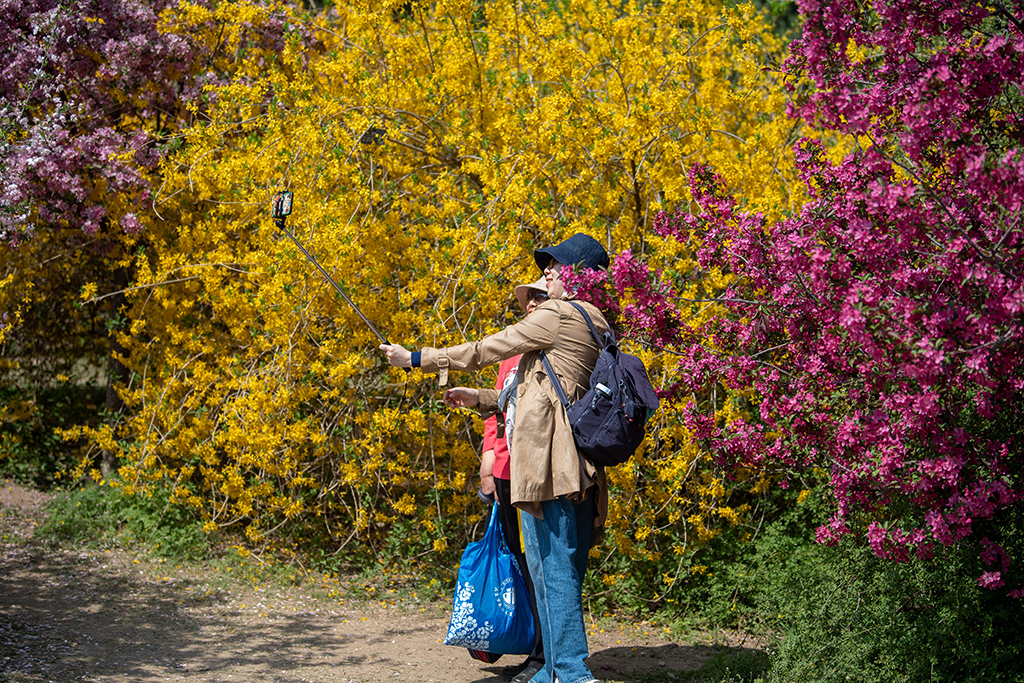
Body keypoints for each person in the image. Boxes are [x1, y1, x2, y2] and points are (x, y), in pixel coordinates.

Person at [380, 233, 611, 683]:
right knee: (545, 568)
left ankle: (573, 673)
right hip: (563, 461)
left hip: (551, 462)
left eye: (557, 268)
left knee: (555, 567)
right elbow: (536, 392)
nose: (546, 273)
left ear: (582, 277)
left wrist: (416, 358)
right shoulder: (596, 320)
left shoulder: (560, 314)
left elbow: (488, 348)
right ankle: (551, 670)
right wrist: (484, 398)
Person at [480, 276, 548, 682]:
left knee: (543, 565)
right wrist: (488, 458)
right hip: (506, 472)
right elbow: (496, 411)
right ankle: (532, 647)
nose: (531, 304)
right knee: (521, 562)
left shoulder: (555, 349)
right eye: (528, 299)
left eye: (539, 296)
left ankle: (545, 656)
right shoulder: (511, 355)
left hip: (536, 474)